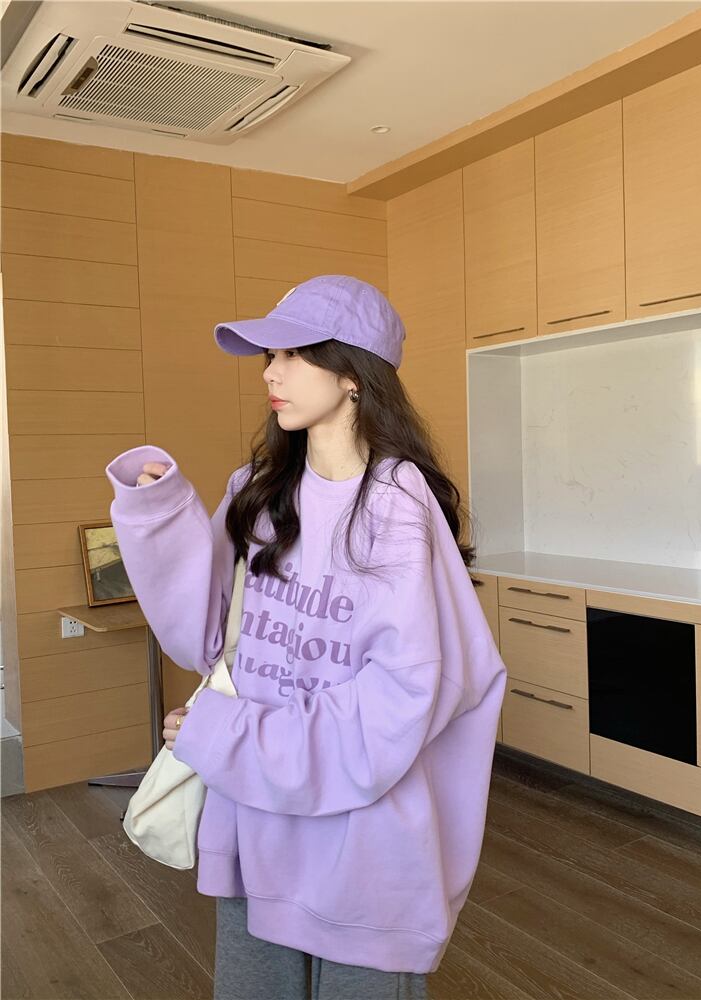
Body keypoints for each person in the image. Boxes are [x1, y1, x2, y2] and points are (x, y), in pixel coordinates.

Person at [104, 274, 507, 1000]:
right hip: (254, 822)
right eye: (270, 355)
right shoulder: (257, 491)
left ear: (354, 374)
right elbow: (203, 637)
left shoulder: (397, 505)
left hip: (363, 846)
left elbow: (400, 704)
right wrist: (159, 513)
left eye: (294, 354)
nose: (271, 372)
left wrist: (227, 734)